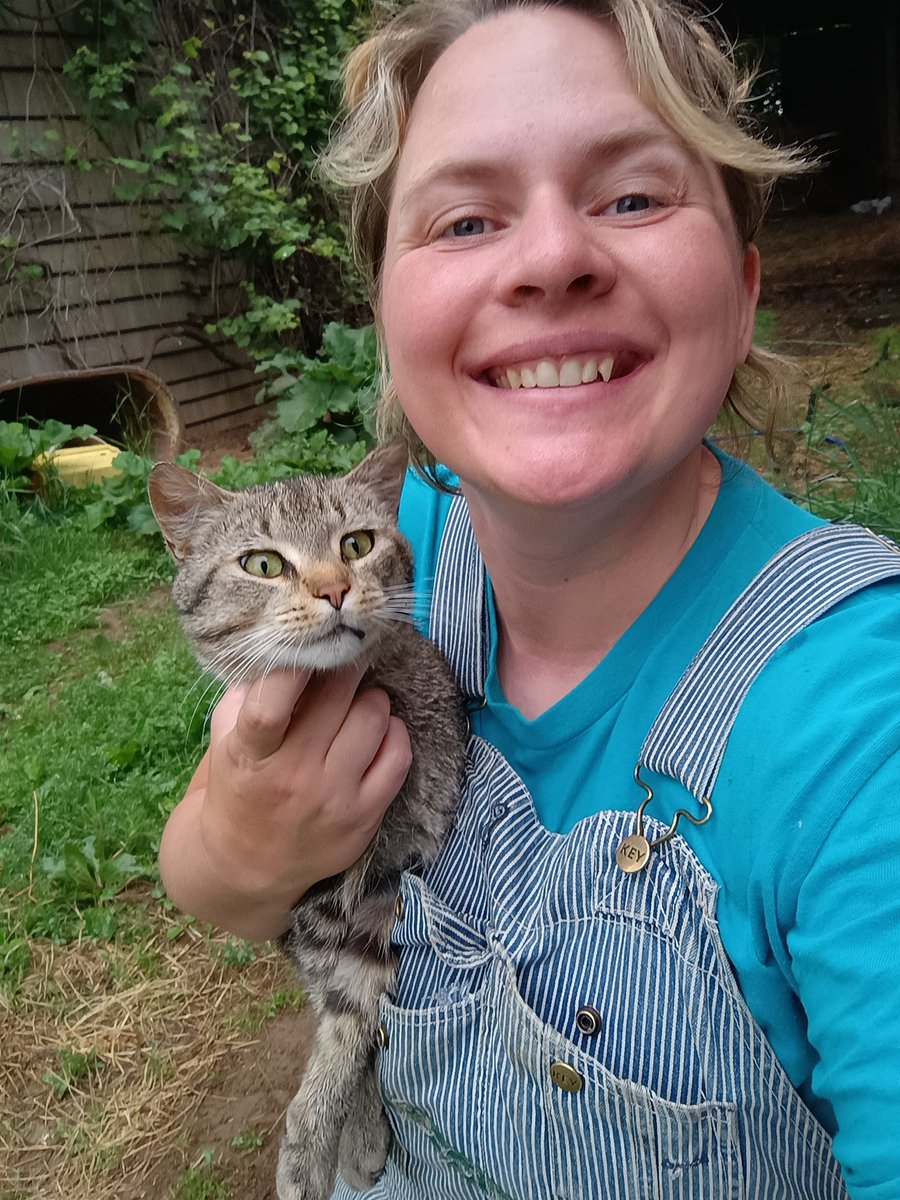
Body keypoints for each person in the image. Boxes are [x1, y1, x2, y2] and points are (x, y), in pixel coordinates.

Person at [159, 1, 900, 1195]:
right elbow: (206, 883)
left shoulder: (864, 724)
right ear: (388, 315)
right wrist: (243, 843)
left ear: (748, 285)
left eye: (634, 197)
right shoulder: (404, 549)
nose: (553, 258)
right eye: (463, 218)